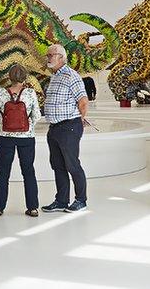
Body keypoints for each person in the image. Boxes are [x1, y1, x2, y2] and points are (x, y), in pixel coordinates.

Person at [40, 43, 90, 213]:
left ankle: (81, 200)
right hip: (54, 128)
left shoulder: (71, 76)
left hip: (69, 127)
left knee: (72, 165)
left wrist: (80, 120)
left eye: (50, 55)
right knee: (58, 165)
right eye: (47, 55)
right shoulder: (54, 76)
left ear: (61, 57)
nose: (47, 58)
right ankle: (61, 200)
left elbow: (83, 101)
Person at [0, 64, 41, 217]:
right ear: (25, 77)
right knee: (28, 171)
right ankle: (32, 207)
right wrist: (27, 126)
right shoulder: (30, 93)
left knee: (3, 172)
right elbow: (36, 115)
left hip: (5, 138)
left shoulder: (1, 94)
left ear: (10, 77)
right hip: (26, 138)